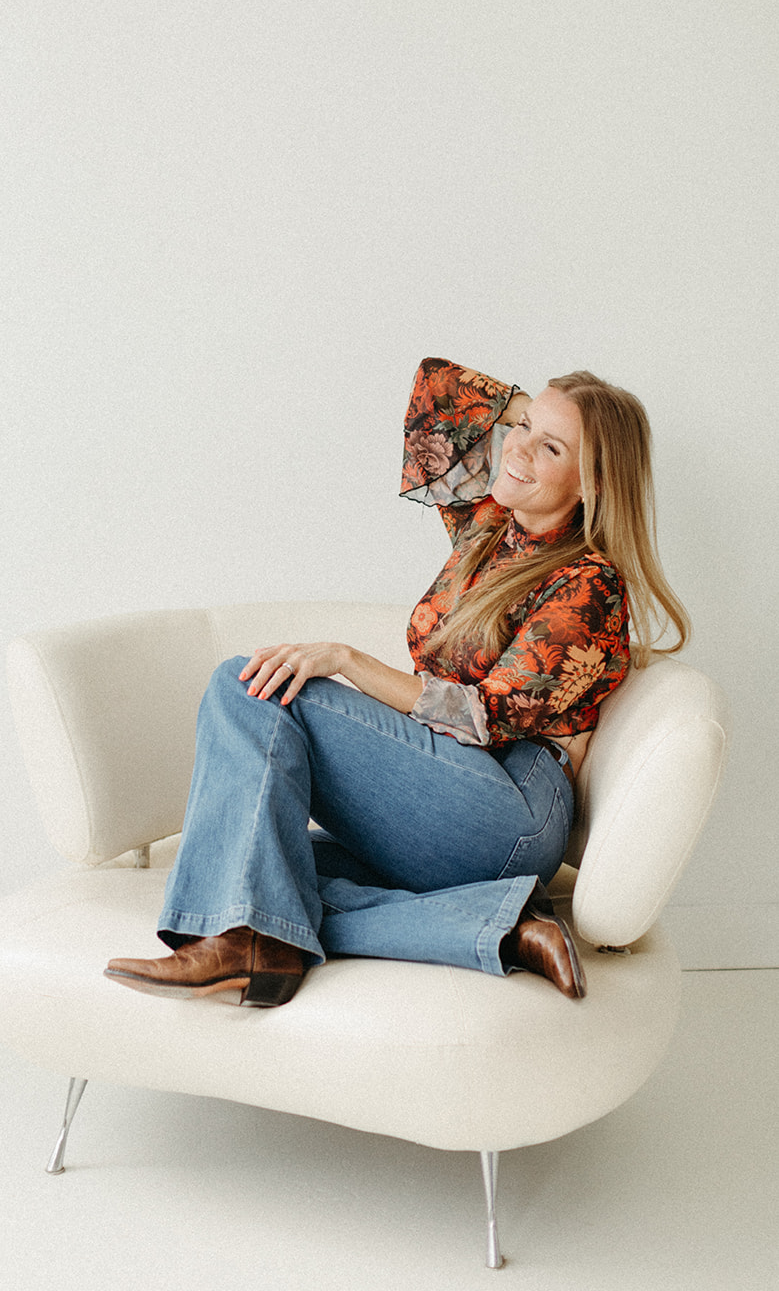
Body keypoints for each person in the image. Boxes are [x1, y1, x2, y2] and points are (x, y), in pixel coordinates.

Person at [104, 358, 690, 1007]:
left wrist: (347, 660)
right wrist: (540, 414)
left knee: (243, 687)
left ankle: (249, 942)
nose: (515, 447)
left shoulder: (588, 584)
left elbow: (478, 718)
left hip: (510, 807)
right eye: (518, 427)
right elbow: (435, 398)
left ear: (592, 482)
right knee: (247, 867)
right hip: (444, 791)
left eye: (548, 447)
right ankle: (499, 927)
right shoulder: (488, 528)